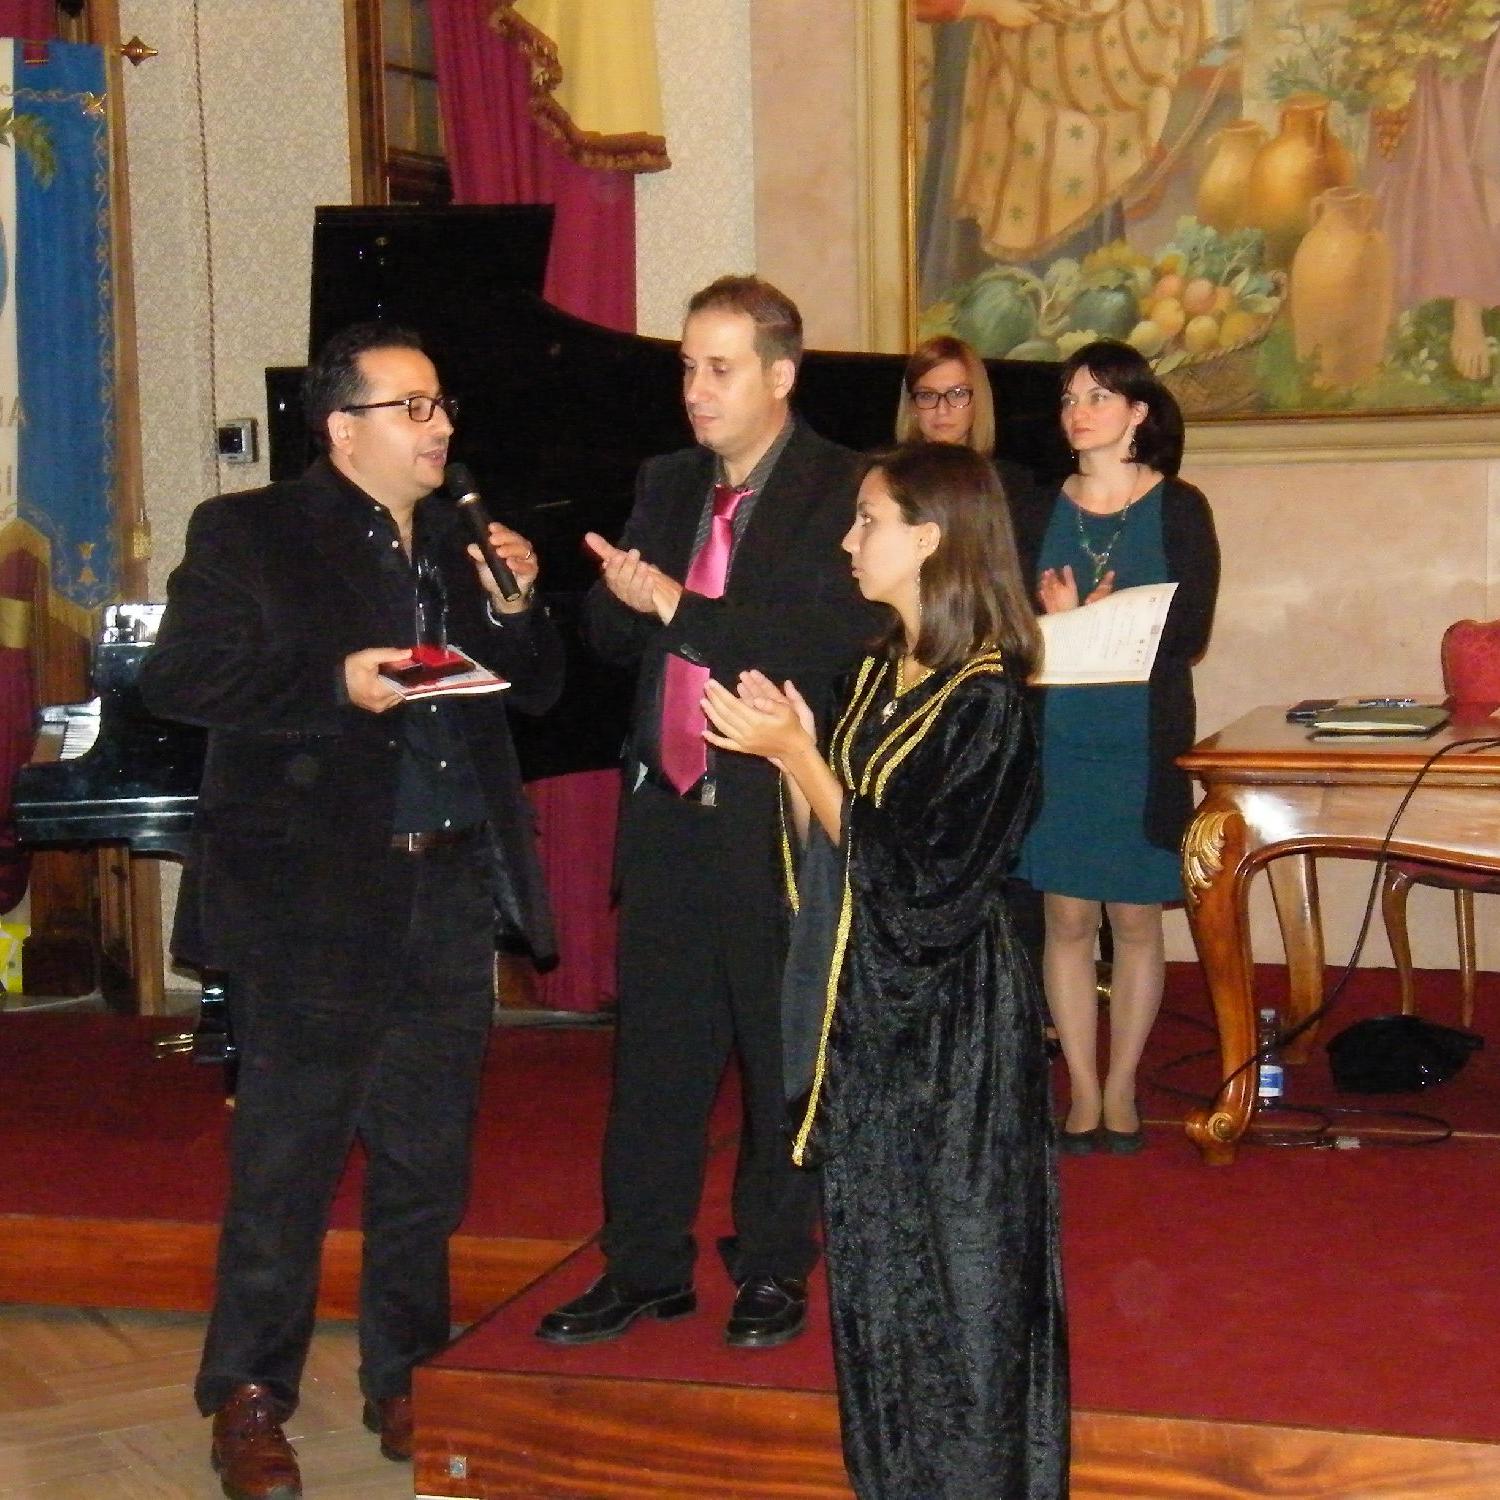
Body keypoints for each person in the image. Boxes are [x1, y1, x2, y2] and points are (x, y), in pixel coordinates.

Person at [140, 322, 562, 1500]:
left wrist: (518, 603)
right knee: (288, 1162)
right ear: (342, 428)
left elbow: (538, 690)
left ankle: (406, 1373)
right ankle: (248, 1396)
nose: (441, 426)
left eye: (442, 405)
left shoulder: (461, 542)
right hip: (312, 898)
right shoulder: (250, 531)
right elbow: (180, 676)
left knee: (426, 1162)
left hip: (446, 887)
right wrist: (334, 683)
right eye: (413, 407)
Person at [701, 441, 1068, 1498]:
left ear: (931, 539)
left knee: (961, 1274)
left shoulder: (989, 700)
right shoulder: (872, 672)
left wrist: (799, 757)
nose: (848, 539)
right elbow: (836, 849)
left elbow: (923, 886)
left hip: (953, 1025)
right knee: (876, 1268)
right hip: (866, 1009)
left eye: (868, 520)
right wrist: (798, 753)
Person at [535, 275, 879, 1351]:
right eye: (687, 366)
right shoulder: (668, 480)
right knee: (656, 1060)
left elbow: (807, 638)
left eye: (719, 369)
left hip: (770, 817)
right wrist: (622, 598)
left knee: (779, 1058)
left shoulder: (842, 487)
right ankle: (643, 1267)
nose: (695, 389)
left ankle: (773, 1263)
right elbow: (612, 640)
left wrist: (673, 602)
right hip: (668, 808)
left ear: (781, 376)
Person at [1013, 339, 1218, 1155]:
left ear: (1138, 412)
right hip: (1058, 737)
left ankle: (1125, 1084)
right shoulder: (1035, 507)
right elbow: (1003, 624)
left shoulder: (1181, 507)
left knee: (1134, 918)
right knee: (1065, 917)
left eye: (1097, 396)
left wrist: (1091, 621)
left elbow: (1188, 632)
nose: (1078, 412)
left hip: (1139, 739)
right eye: (1069, 398)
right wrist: (1061, 625)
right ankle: (1083, 1089)